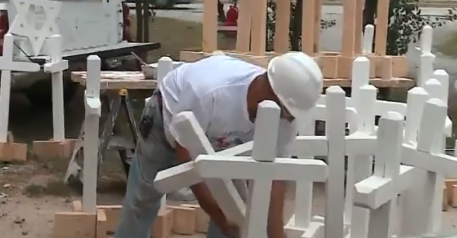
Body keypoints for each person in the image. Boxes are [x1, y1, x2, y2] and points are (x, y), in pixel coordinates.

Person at [113, 52, 324, 238]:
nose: (288, 121)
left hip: (224, 139)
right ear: (271, 94)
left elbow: (273, 178)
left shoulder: (286, 118)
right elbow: (188, 159)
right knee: (142, 200)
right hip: (167, 117)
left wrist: (276, 235)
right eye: (287, 114)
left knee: (233, 208)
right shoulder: (210, 93)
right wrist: (217, 214)